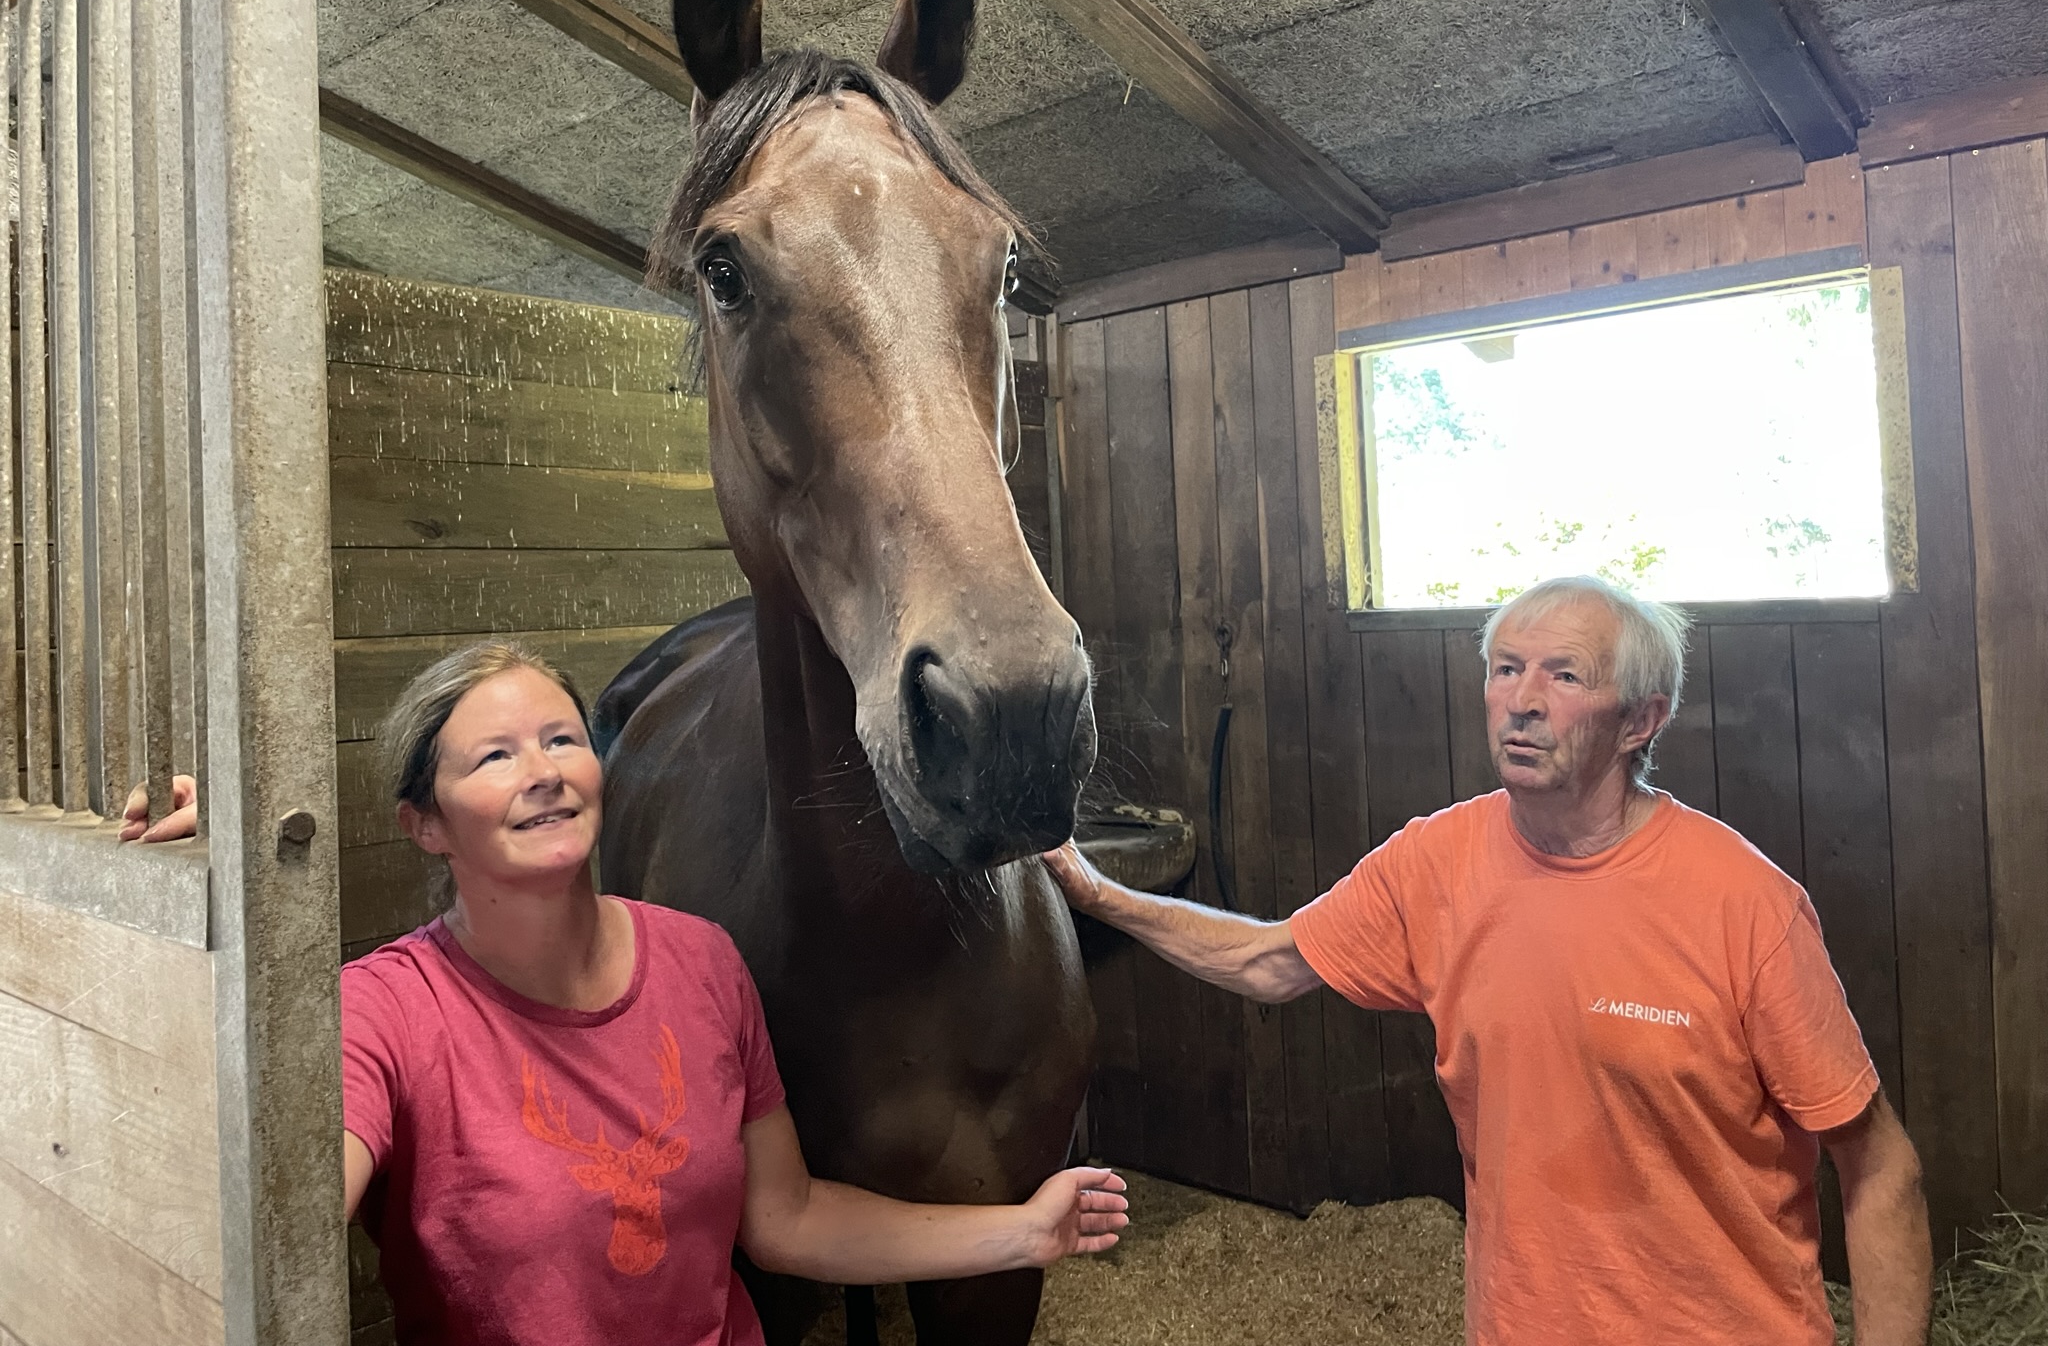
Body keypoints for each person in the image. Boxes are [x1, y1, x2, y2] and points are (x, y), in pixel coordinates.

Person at [125, 640, 1126, 1346]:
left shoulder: (701, 963)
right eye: (495, 756)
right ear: (424, 824)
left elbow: (785, 1221)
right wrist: (190, 933)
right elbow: (270, 1222)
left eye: (562, 741)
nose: (543, 773)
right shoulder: (386, 1011)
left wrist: (1022, 1232)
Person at [1041, 574, 1929, 1346]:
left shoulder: (1745, 905)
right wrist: (1099, 894)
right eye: (1506, 669)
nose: (1523, 699)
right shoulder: (1439, 861)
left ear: (1641, 721)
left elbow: (1880, 1165)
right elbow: (1271, 962)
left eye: (1565, 675)